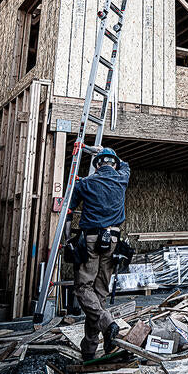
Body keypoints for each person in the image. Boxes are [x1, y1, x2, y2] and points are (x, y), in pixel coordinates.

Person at [69, 145, 130, 361]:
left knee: (83, 288)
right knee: (99, 293)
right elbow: (125, 165)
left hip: (91, 239)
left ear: (97, 166)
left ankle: (107, 324)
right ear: (113, 164)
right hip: (112, 240)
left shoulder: (86, 183)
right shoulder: (122, 178)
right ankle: (89, 351)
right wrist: (105, 151)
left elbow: (70, 206)